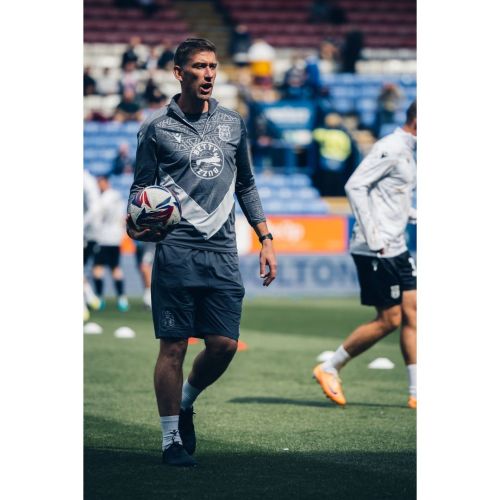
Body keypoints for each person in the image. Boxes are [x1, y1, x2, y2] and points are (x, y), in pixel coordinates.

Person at [126, 38, 277, 467]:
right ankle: (170, 440)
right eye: (199, 66)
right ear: (179, 73)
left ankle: (187, 401)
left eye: (212, 66)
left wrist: (266, 238)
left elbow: (246, 183)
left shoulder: (233, 123)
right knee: (173, 347)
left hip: (222, 252)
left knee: (224, 344)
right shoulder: (156, 128)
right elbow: (140, 189)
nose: (208, 74)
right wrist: (136, 222)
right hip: (176, 251)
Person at [313, 101, 417, 410]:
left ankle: (417, 392)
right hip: (376, 247)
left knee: (413, 312)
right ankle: (330, 367)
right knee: (390, 319)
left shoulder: (407, 150)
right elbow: (355, 185)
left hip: (397, 245)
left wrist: (411, 214)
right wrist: (373, 235)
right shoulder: (391, 147)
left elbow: (389, 196)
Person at [92, 175, 129, 312]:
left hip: (102, 237)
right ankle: (122, 298)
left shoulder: (102, 198)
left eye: (100, 183)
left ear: (105, 183)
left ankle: (99, 298)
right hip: (116, 237)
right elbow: (123, 217)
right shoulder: (118, 196)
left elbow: (97, 215)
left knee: (97, 268)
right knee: (115, 268)